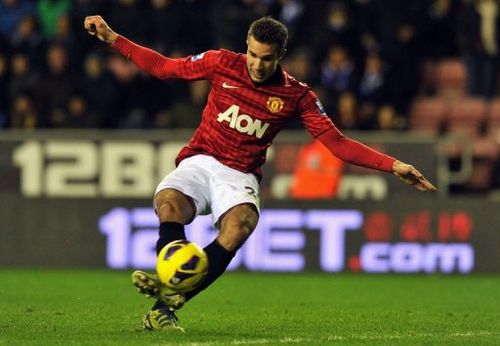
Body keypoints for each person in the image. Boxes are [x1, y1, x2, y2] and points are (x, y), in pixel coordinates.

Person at [84, 15, 437, 332]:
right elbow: (164, 67)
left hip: (240, 174)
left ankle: (166, 305)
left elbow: (337, 143)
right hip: (202, 158)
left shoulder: (296, 96)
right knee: (168, 202)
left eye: (266, 58)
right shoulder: (222, 63)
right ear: (246, 47)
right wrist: (114, 38)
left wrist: (393, 165)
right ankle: (170, 271)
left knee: (239, 226)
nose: (256, 64)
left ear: (280, 55)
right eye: (253, 54)